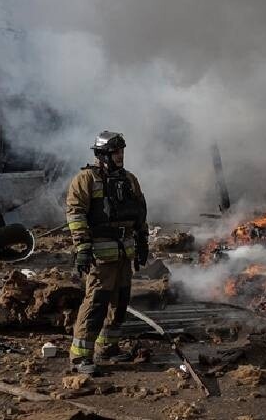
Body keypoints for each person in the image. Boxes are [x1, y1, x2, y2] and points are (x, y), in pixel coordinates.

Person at [66, 131, 149, 374]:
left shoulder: (130, 180)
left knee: (120, 302)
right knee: (96, 303)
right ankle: (81, 356)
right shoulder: (86, 179)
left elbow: (140, 214)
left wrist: (143, 242)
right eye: (115, 152)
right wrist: (82, 248)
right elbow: (75, 214)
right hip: (101, 255)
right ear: (102, 155)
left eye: (122, 151)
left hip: (124, 252)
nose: (120, 156)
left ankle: (108, 347)